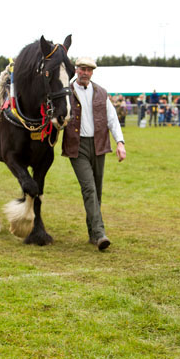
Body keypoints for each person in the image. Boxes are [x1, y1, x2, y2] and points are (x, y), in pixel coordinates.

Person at [62, 57, 126, 251]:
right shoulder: (66, 92)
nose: (85, 73)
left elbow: (112, 119)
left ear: (92, 72)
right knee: (89, 188)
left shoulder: (100, 92)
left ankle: (92, 233)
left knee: (96, 191)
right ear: (76, 70)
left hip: (99, 145)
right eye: (82, 69)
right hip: (77, 147)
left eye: (89, 70)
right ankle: (100, 235)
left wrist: (120, 142)